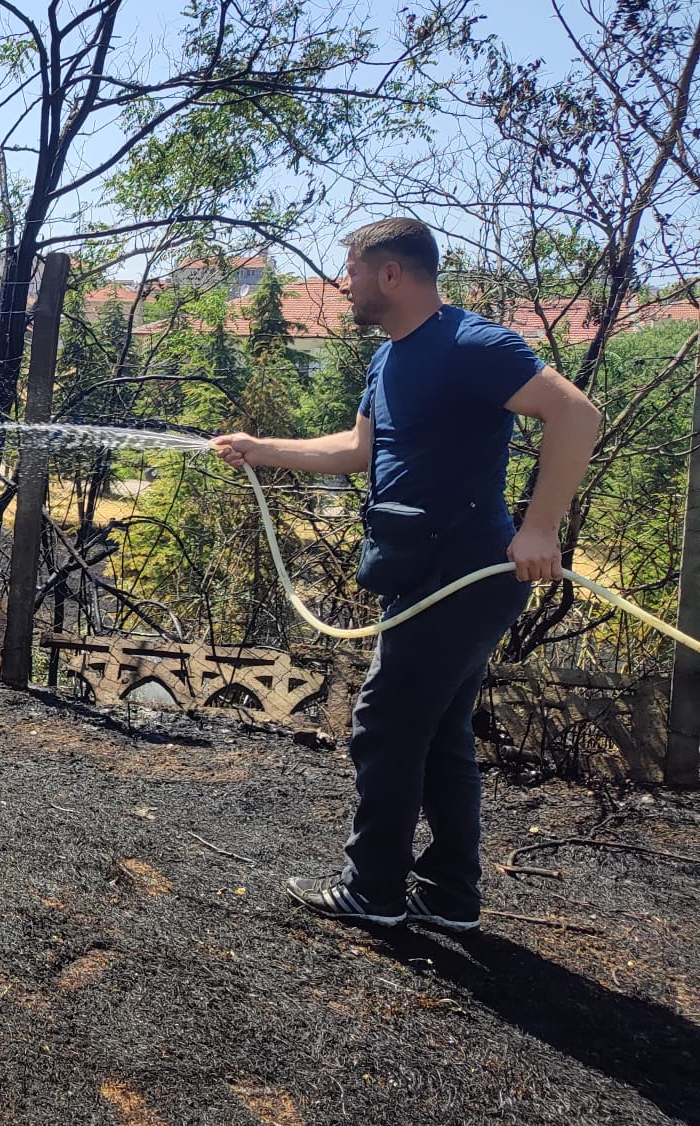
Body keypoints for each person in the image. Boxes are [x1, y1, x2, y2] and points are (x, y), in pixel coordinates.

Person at [212, 218, 601, 929]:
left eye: (353, 272)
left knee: (385, 724)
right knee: (440, 730)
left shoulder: (471, 343)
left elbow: (575, 413)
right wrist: (260, 448)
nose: (344, 286)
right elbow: (357, 450)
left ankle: (374, 891)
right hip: (417, 567)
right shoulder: (389, 358)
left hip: (464, 572)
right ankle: (450, 894)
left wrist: (541, 526)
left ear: (391, 274)